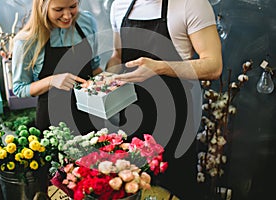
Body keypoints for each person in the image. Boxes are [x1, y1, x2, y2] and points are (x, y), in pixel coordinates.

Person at [106, 0, 223, 199]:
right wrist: (106, 79)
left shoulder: (192, 4)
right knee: (134, 184)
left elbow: (213, 66)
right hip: (132, 111)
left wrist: (158, 67)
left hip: (175, 115)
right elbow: (118, 55)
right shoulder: (120, 5)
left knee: (177, 183)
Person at [12, 0, 103, 133]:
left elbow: (95, 68)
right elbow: (19, 88)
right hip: (53, 121)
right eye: (58, 10)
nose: (67, 16)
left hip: (92, 114)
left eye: (73, 6)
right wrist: (51, 81)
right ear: (42, 8)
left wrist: (112, 82)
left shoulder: (87, 22)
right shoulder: (26, 42)